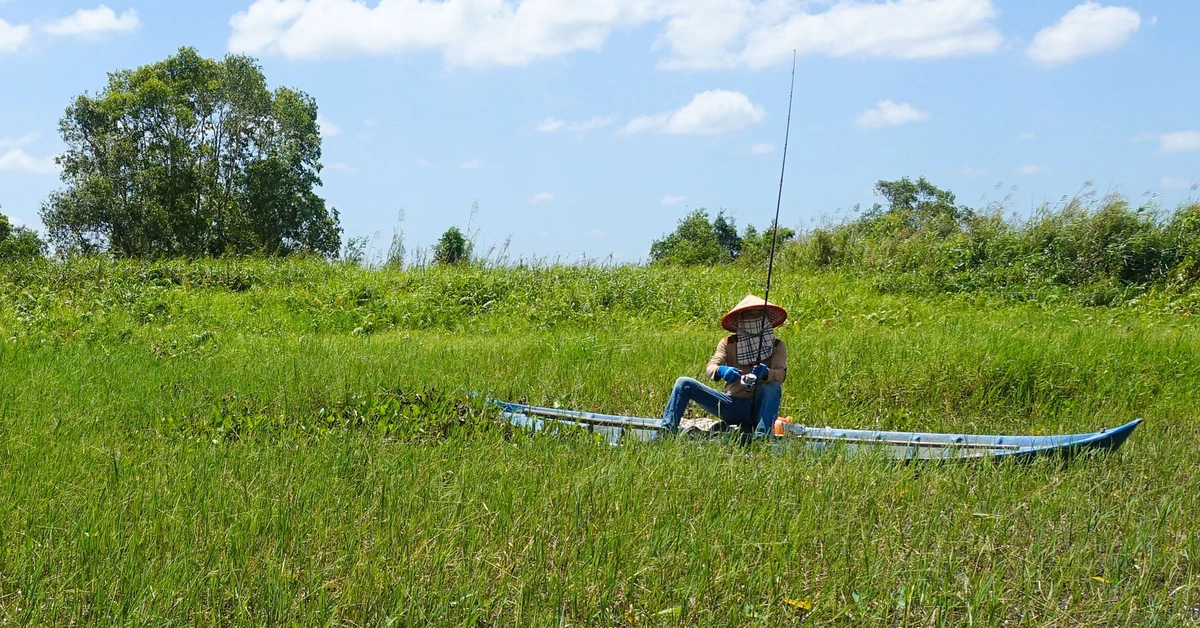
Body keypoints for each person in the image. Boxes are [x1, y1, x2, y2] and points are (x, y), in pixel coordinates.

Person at [661, 294, 787, 437]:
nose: (754, 318)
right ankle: (666, 431)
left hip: (759, 406)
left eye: (758, 314)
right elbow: (711, 366)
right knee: (683, 383)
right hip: (731, 404)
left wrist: (765, 373)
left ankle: (762, 437)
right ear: (741, 319)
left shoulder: (777, 345)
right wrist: (721, 370)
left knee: (773, 386)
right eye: (749, 314)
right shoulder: (728, 343)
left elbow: (780, 374)